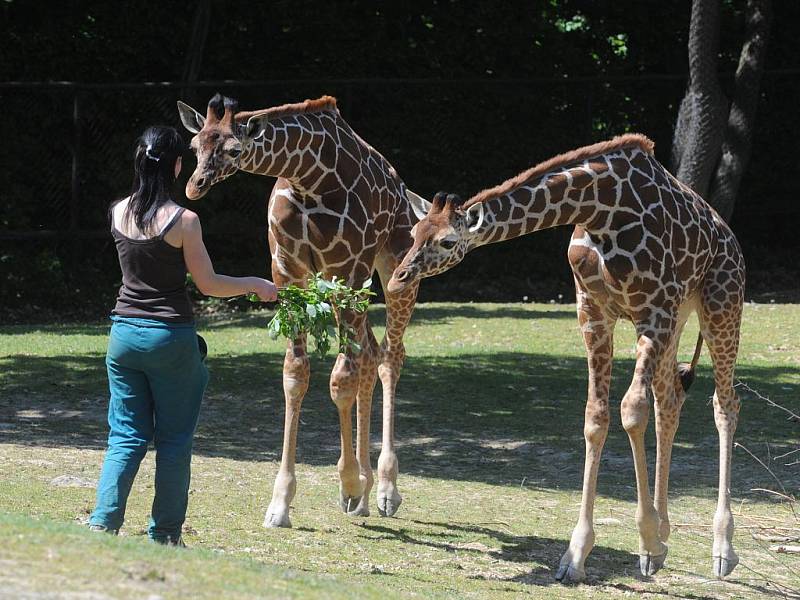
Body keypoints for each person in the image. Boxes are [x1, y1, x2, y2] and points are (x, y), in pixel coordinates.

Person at [88, 126, 277, 546]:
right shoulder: (184, 221)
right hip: (170, 339)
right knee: (173, 440)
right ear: (177, 165)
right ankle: (166, 536)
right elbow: (208, 284)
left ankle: (102, 524)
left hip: (122, 337)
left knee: (125, 436)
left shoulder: (117, 211)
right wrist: (255, 284)